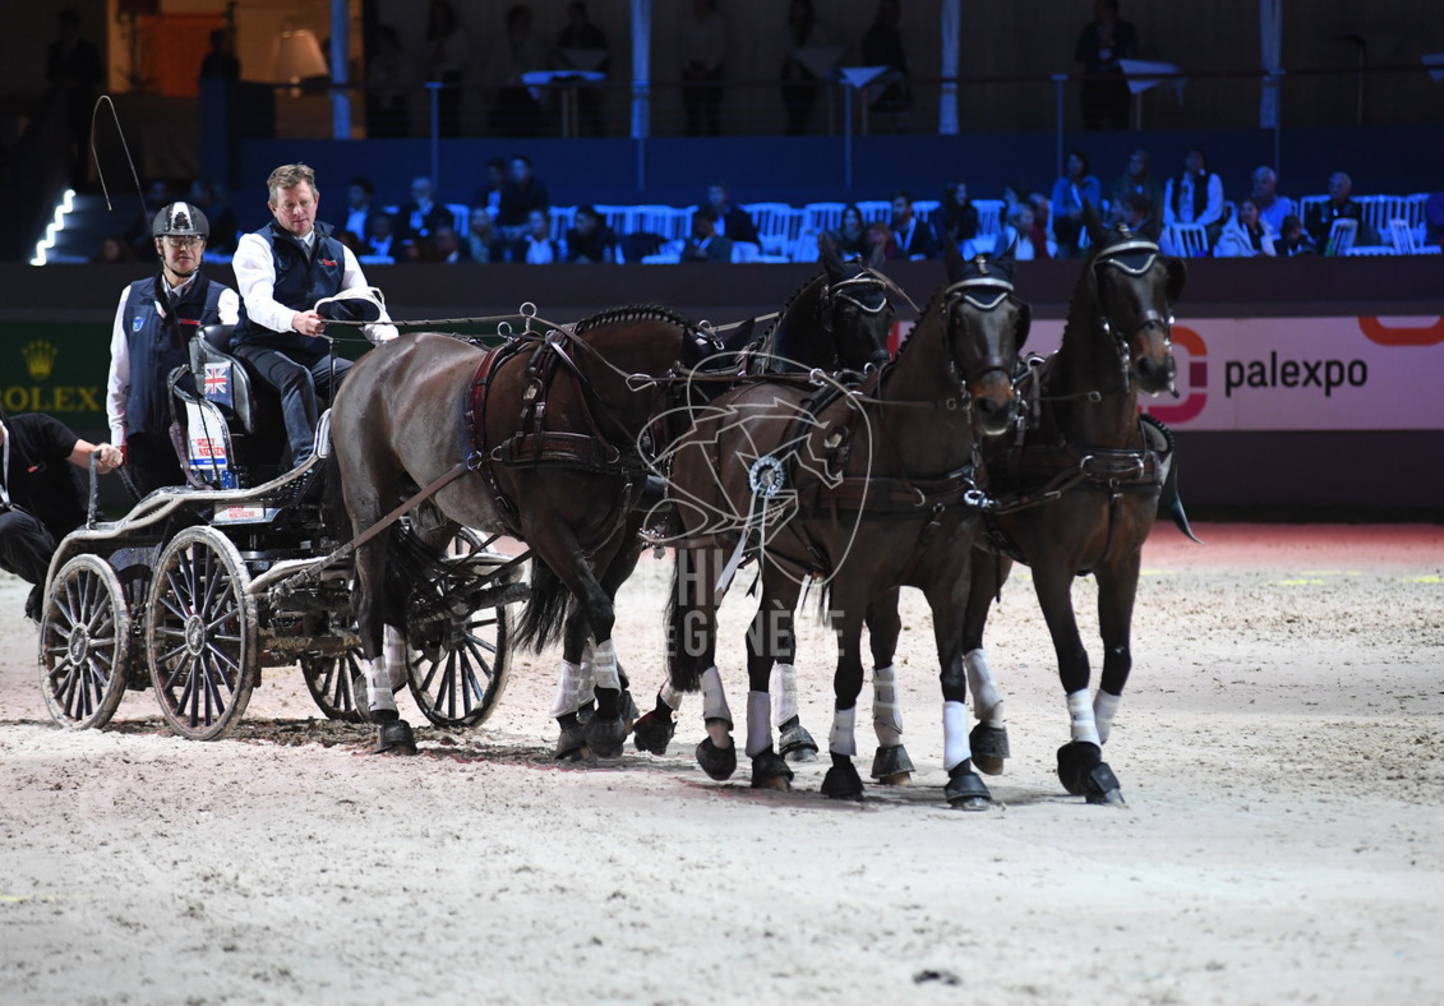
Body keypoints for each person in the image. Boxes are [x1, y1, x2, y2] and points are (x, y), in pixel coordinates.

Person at [230, 163, 377, 468]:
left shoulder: (338, 251)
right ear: (273, 208)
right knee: (296, 376)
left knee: (362, 376)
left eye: (304, 203)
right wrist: (295, 320)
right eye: (288, 206)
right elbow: (257, 305)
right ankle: (307, 467)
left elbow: (366, 305)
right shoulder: (255, 245)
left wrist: (390, 345)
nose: (298, 211)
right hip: (259, 348)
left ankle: (365, 461)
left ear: (316, 201)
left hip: (313, 352)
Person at [107, 202, 241, 494]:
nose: (185, 249)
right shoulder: (132, 295)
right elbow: (119, 372)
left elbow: (231, 376)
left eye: (193, 240)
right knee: (151, 527)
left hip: (198, 440)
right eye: (176, 241)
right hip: (142, 435)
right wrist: (119, 432)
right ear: (159, 245)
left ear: (203, 246)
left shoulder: (223, 299)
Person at [0, 410, 122, 621]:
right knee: (8, 526)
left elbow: (93, 458)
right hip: (24, 546)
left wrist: (104, 453)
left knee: (10, 525)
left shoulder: (36, 427)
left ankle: (56, 592)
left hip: (73, 530)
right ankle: (62, 591)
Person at [46, 9, 103, 188]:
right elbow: (49, 73)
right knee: (63, 144)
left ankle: (82, 181)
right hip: (62, 104)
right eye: (63, 26)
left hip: (82, 103)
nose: (65, 29)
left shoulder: (88, 49)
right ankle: (66, 179)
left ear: (76, 27)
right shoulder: (55, 49)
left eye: (68, 26)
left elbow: (97, 74)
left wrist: (77, 82)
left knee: (83, 143)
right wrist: (60, 81)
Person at [1074, 0, 1137, 130]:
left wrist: (1112, 46)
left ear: (1112, 11)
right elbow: (1079, 55)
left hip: (1117, 85)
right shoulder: (1090, 30)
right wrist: (1098, 47)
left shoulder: (1125, 29)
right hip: (1093, 85)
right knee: (1092, 124)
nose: (1098, 13)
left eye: (1101, 10)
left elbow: (1132, 53)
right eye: (1096, 10)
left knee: (1119, 124)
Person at [487, 4, 547, 137]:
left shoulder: (536, 44)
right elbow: (493, 68)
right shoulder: (500, 43)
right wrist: (490, 90)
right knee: (507, 129)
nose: (521, 25)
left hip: (528, 93)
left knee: (528, 130)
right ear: (511, 22)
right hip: (506, 92)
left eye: (524, 21)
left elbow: (539, 69)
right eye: (518, 21)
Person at [556, 2, 609, 137]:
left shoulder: (595, 34)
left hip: (590, 83)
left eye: (578, 14)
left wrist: (599, 80)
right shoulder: (566, 34)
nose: (576, 18)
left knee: (592, 114)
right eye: (572, 15)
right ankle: (571, 137)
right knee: (572, 113)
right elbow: (558, 55)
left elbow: (604, 57)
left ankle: (598, 139)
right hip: (571, 83)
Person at [780, 0, 829, 135]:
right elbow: (782, 52)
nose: (797, 12)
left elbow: (824, 48)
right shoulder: (789, 30)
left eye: (800, 8)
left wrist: (806, 56)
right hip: (790, 75)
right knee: (793, 112)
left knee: (805, 113)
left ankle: (799, 136)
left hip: (807, 75)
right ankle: (794, 136)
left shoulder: (814, 29)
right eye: (795, 8)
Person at [1162, 148, 1225, 248]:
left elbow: (1214, 208)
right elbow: (1167, 207)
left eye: (1197, 158)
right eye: (1190, 157)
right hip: (1177, 224)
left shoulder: (1211, 179)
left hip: (1203, 225)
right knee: (1163, 234)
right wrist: (1175, 223)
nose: (1193, 161)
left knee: (1214, 231)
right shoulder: (1174, 182)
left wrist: (1195, 226)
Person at [681, 0, 726, 136]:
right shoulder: (687, 22)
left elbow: (720, 47)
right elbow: (682, 47)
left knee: (711, 113)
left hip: (712, 70)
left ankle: (713, 146)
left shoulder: (717, 22)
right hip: (691, 70)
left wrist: (708, 69)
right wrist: (689, 67)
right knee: (692, 114)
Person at [425, 0, 468, 138]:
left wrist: (448, 57)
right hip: (435, 77)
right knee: (437, 113)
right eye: (435, 12)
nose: (439, 16)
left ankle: (452, 140)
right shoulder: (430, 35)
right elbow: (426, 59)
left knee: (451, 112)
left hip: (452, 76)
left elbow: (464, 58)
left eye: (441, 12)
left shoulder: (458, 34)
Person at [1050, 149, 1102, 258]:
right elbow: (1057, 208)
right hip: (1067, 221)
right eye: (1071, 162)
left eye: (1078, 161)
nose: (1074, 165)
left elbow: (1093, 206)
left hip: (1086, 220)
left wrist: (1080, 212)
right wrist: (1070, 213)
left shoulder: (1092, 183)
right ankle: (1067, 261)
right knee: (1065, 226)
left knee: (1083, 228)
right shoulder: (1061, 183)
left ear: (1084, 164)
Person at [861, 0, 911, 113]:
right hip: (880, 81)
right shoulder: (875, 34)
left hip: (889, 82)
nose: (895, 16)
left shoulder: (892, 33)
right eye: (891, 12)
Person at [364, 24, 409, 138]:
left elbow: (407, 82)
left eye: (384, 40)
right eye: (379, 41)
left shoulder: (403, 60)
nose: (382, 44)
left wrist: (393, 75)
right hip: (379, 104)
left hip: (398, 104)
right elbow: (372, 82)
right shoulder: (376, 62)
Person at [1306, 172, 1372, 248]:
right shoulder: (1320, 208)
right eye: (1332, 185)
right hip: (1323, 248)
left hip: (1348, 248)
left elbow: (1358, 231)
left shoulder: (1354, 208)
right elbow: (1312, 228)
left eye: (1339, 186)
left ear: (1348, 188)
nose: (1335, 189)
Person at [497, 155, 550, 242]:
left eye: (520, 168)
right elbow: (503, 214)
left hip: (531, 227)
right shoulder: (507, 189)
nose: (516, 171)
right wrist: (507, 229)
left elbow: (542, 214)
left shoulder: (538, 189)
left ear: (529, 170)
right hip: (511, 230)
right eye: (514, 168)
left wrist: (524, 229)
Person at [1109, 149, 1160, 227]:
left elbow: (1155, 210)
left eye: (1139, 162)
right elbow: (1116, 208)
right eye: (1132, 161)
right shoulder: (1120, 184)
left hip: (1146, 226)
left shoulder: (1153, 187)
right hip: (1122, 226)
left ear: (1145, 165)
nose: (1134, 165)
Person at [188, 179, 238, 254]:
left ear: (206, 192)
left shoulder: (223, 212)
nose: (193, 193)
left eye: (196, 190)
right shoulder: (195, 211)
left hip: (222, 256)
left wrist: (215, 252)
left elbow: (229, 239)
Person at [705, 182, 760, 248]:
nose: (715, 197)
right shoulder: (702, 215)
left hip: (737, 247)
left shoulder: (739, 215)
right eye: (711, 193)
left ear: (725, 195)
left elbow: (750, 237)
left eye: (718, 193)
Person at [396, 176, 451, 241]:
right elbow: (399, 232)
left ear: (431, 191)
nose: (420, 194)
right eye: (416, 190)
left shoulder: (442, 212)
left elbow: (443, 233)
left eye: (423, 190)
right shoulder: (404, 211)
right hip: (411, 247)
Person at [932, 181, 979, 253]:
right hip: (944, 250)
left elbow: (971, 235)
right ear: (952, 194)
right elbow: (942, 238)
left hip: (966, 249)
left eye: (965, 192)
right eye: (959, 192)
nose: (963, 196)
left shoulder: (970, 211)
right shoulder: (941, 212)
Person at [888, 191, 936, 260]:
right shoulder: (891, 228)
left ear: (909, 208)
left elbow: (931, 252)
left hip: (919, 268)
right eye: (893, 206)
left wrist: (913, 258)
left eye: (899, 206)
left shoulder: (922, 227)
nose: (895, 210)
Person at [1249, 166, 1294, 235]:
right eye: (1256, 182)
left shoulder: (1283, 204)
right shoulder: (1246, 206)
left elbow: (1293, 231)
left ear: (1273, 185)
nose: (1259, 186)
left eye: (1263, 182)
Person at [343, 178, 378, 245]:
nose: (352, 196)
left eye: (356, 192)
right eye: (351, 192)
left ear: (367, 195)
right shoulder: (342, 215)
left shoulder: (375, 215)